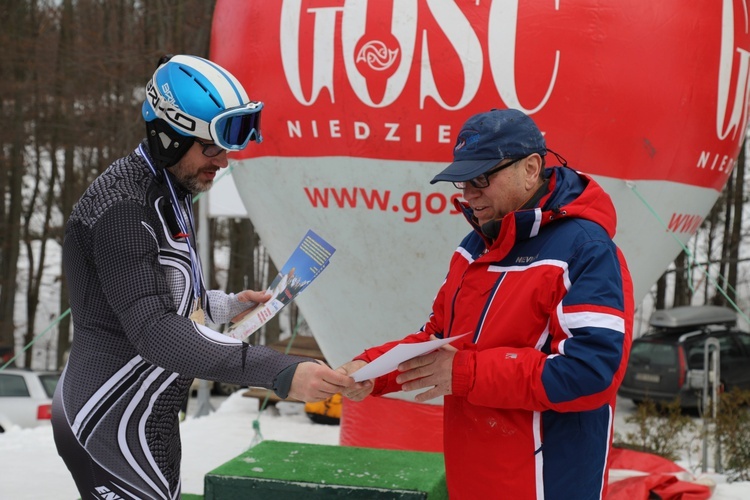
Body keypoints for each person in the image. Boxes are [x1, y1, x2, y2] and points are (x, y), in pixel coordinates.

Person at [51, 54, 355, 500]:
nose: (224, 161)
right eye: (211, 147)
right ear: (168, 135)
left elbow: (154, 292)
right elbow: (153, 330)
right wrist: (280, 370)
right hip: (110, 422)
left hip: (145, 416)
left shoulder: (168, 188)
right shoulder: (123, 210)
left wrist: (226, 305)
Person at [338, 108, 634, 499]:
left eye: (481, 178)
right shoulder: (474, 247)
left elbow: (591, 372)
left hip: (546, 484)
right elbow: (437, 340)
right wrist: (371, 371)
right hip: (474, 480)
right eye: (461, 181)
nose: (468, 194)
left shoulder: (585, 249)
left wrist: (466, 373)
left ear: (531, 168)